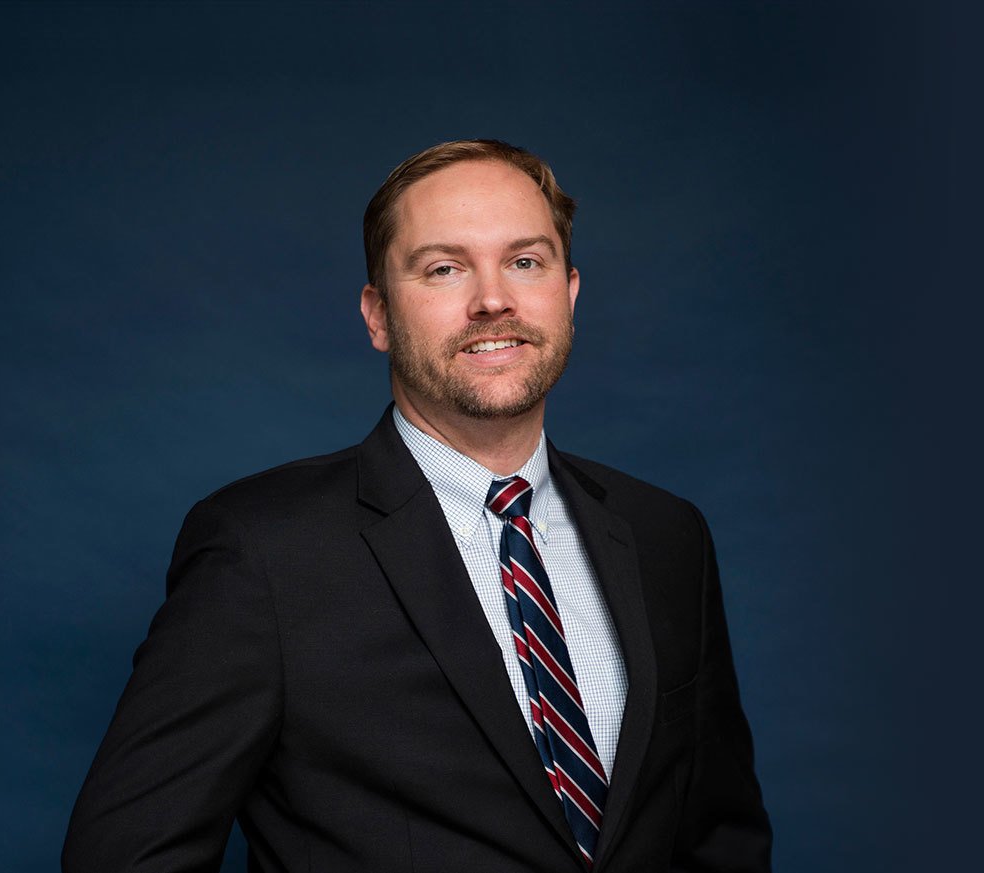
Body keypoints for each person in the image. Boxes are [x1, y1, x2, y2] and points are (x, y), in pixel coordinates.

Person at [63, 139, 771, 872]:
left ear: (569, 293)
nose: (493, 299)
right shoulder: (263, 551)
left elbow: (722, 843)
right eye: (444, 268)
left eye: (526, 262)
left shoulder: (666, 535)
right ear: (378, 315)